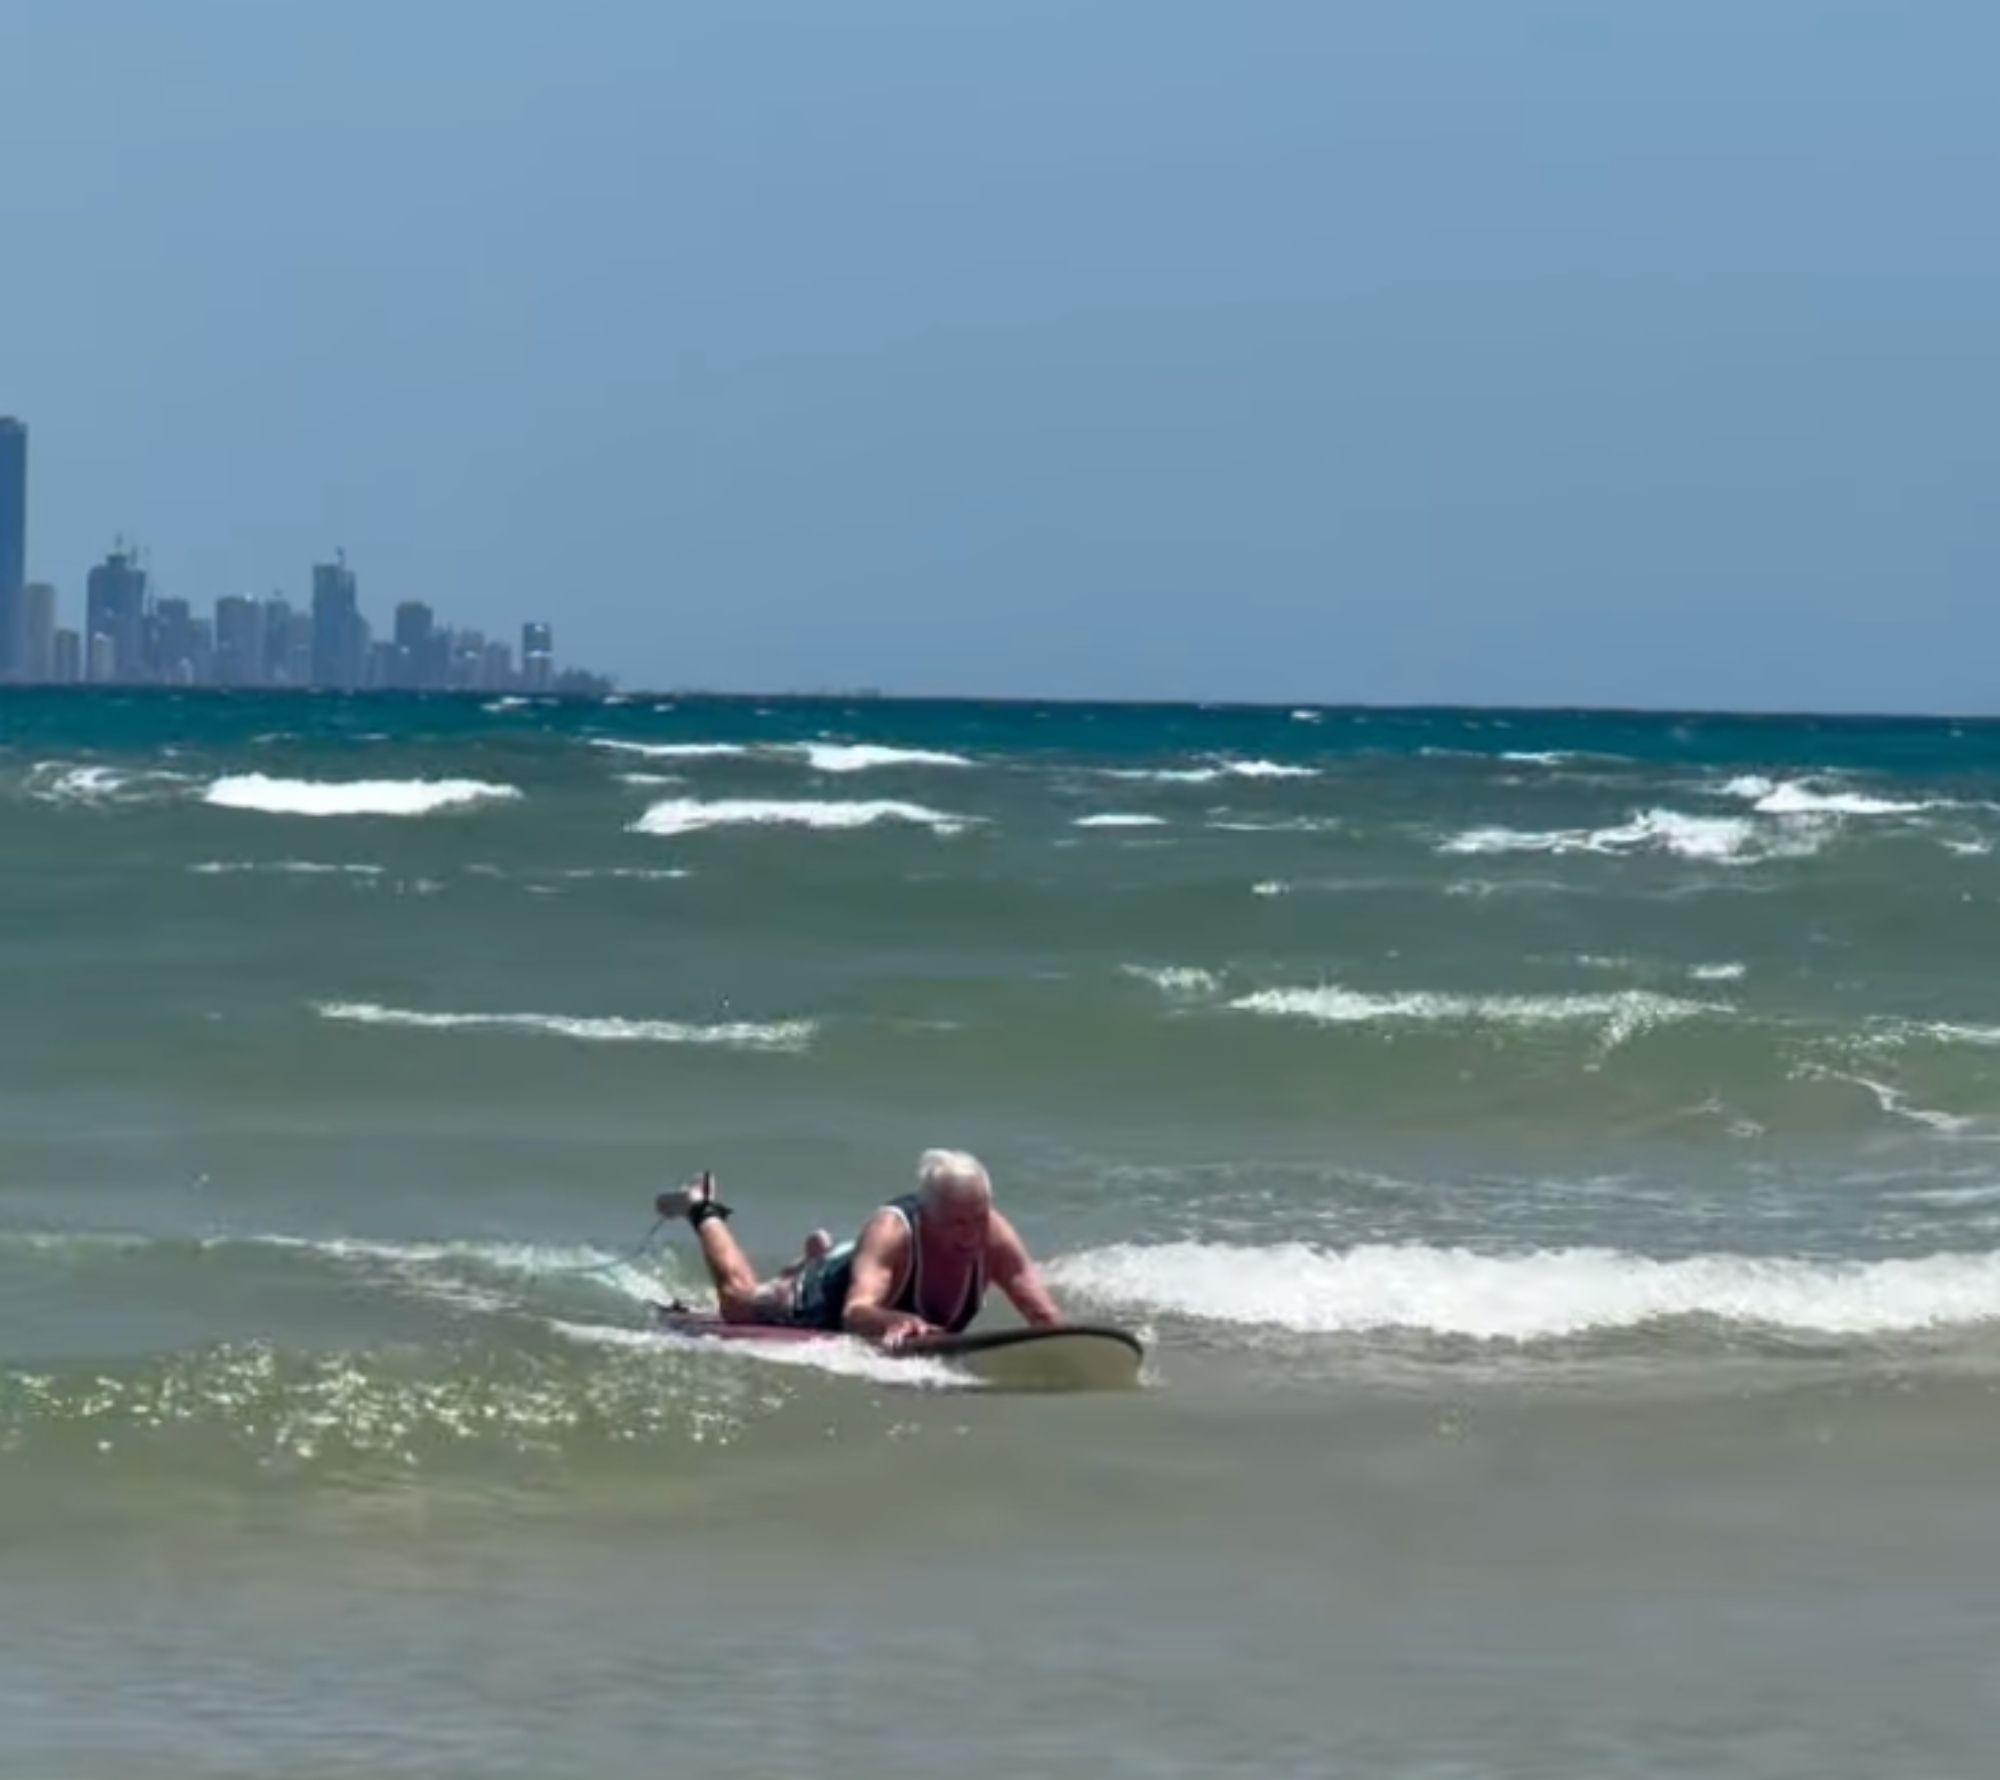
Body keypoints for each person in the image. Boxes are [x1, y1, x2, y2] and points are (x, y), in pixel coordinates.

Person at [657, 1148, 1064, 1348]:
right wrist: (893, 1320)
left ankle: (808, 1261)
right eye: (957, 1223)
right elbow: (856, 1313)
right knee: (738, 1301)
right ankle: (701, 1205)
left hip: (859, 1262)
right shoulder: (893, 1229)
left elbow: (1041, 1313)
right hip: (828, 1299)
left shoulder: (993, 1233)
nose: (971, 1235)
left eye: (978, 1218)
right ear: (928, 1214)